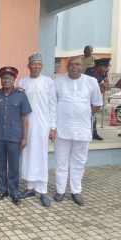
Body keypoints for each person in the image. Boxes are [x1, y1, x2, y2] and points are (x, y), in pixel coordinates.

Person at [53, 57, 103, 206]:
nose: (74, 67)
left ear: (82, 67)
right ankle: (60, 190)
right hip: (62, 129)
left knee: (79, 162)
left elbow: (97, 104)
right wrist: (53, 127)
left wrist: (85, 114)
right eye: (71, 64)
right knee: (61, 162)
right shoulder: (58, 82)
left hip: (82, 130)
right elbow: (53, 105)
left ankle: (76, 191)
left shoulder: (91, 82)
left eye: (77, 64)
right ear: (67, 67)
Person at [17, 53, 57, 207]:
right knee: (27, 156)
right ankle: (30, 188)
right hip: (26, 125)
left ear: (42, 66)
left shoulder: (48, 82)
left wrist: (53, 127)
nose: (36, 66)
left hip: (42, 125)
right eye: (33, 64)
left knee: (41, 156)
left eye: (39, 64)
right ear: (28, 66)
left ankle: (43, 191)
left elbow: (53, 105)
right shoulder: (22, 82)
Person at [0, 66, 32, 205]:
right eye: (4, 78)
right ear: (1, 80)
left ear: (14, 80)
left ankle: (14, 192)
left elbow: (25, 118)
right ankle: (2, 190)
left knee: (14, 167)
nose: (6, 80)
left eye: (9, 78)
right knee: (0, 166)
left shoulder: (21, 95)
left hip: (15, 137)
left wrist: (25, 137)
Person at [85, 58, 111, 140]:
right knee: (87, 114)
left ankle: (94, 133)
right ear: (100, 66)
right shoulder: (89, 71)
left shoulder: (104, 72)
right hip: (86, 96)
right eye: (106, 67)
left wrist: (105, 85)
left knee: (94, 114)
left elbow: (107, 82)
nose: (107, 69)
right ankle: (87, 133)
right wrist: (100, 84)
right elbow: (88, 83)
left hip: (94, 97)